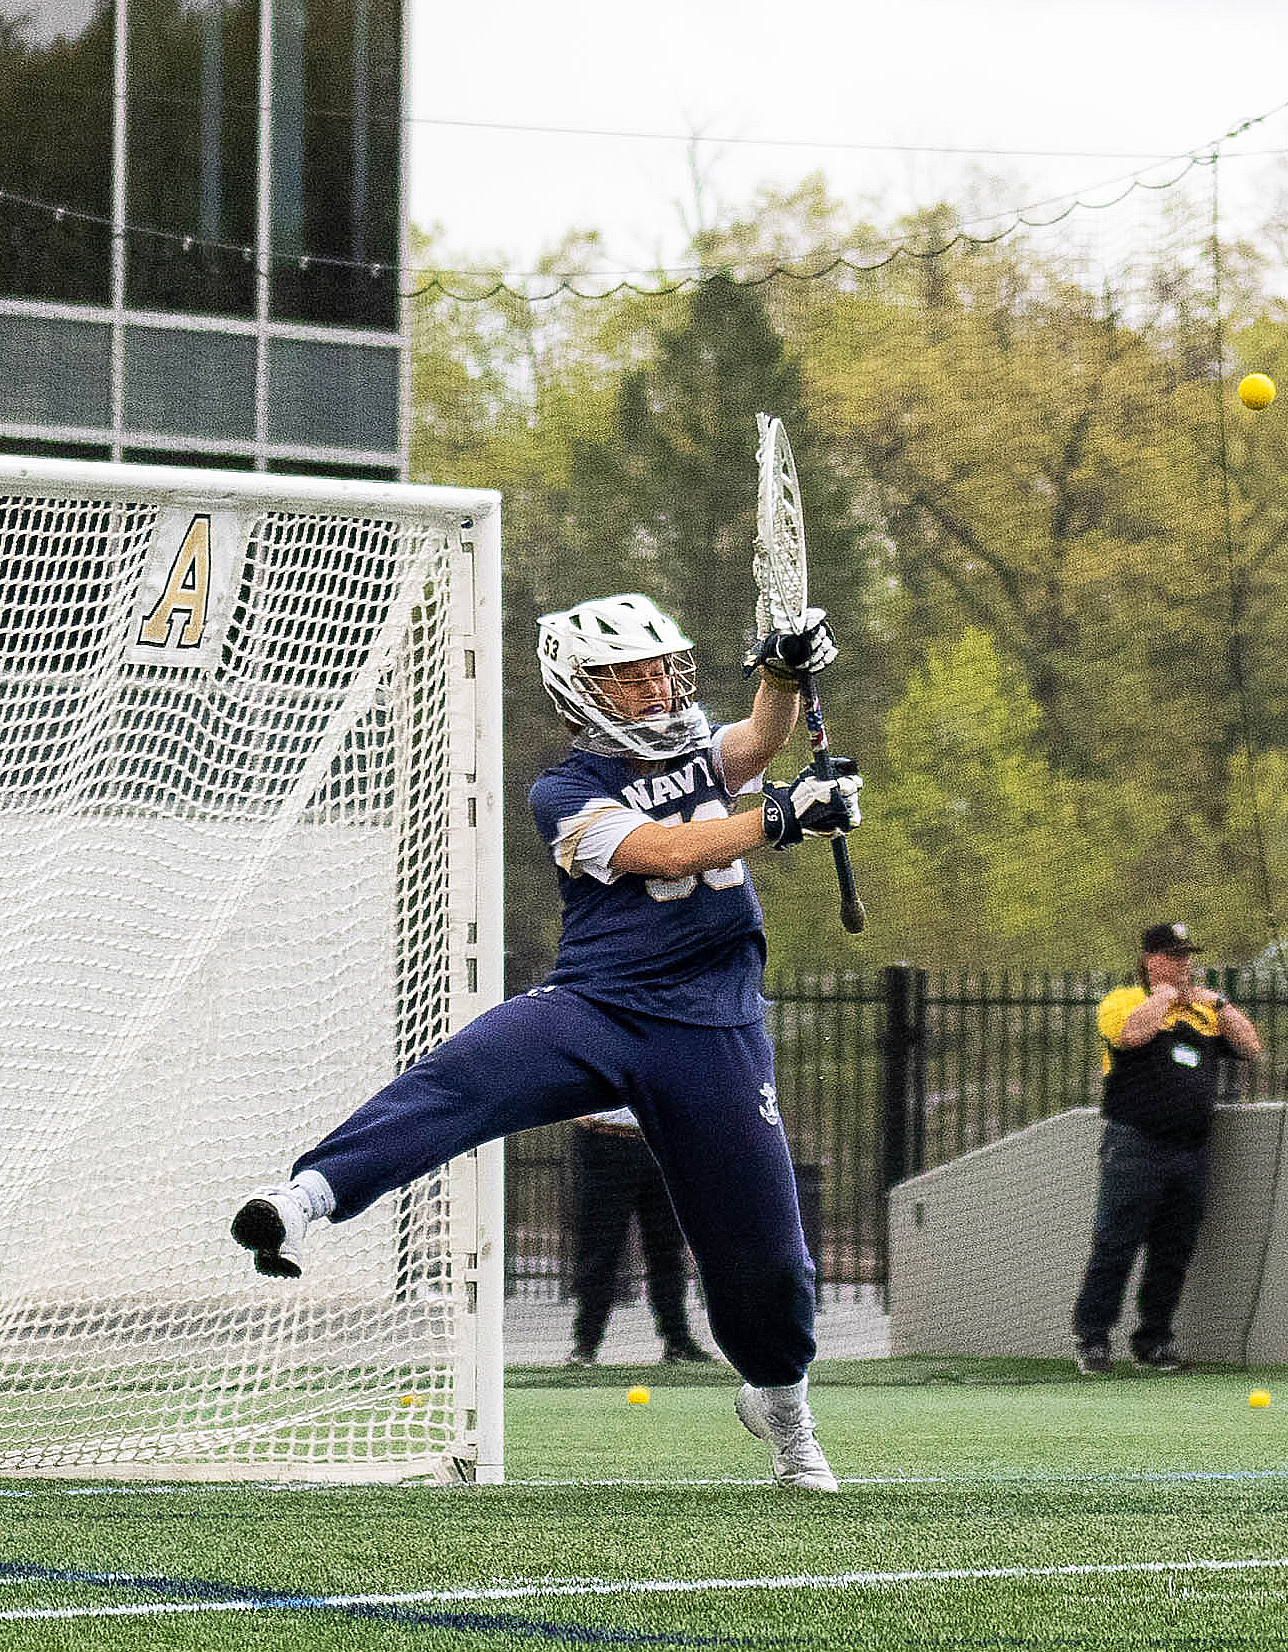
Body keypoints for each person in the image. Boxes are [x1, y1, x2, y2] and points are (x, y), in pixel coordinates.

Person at [228, 591, 860, 1491]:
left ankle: (782, 1407)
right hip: (599, 1006)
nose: (653, 685)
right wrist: (786, 816)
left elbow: (760, 738)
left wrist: (783, 671)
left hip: (712, 1023)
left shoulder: (698, 752)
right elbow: (662, 852)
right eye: (627, 675)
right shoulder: (561, 790)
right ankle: (308, 1193)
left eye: (657, 668)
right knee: (463, 1077)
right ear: (581, 690)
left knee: (766, 1257)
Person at [1073, 922, 1263, 1374]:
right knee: (1116, 1242)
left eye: (1187, 956)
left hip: (1189, 1150)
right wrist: (1162, 997)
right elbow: (1131, 1037)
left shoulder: (1203, 1013)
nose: (1184, 964)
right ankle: (1093, 1337)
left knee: (1173, 1249)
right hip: (1136, 1143)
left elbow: (1250, 1047)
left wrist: (1218, 1003)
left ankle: (1154, 1338)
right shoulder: (1123, 1001)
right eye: (1174, 957)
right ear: (1150, 960)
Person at [566, 1109, 710, 1367]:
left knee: (667, 1250)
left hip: (664, 1141)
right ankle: (585, 1345)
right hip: (605, 1141)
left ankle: (677, 1342)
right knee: (600, 1248)